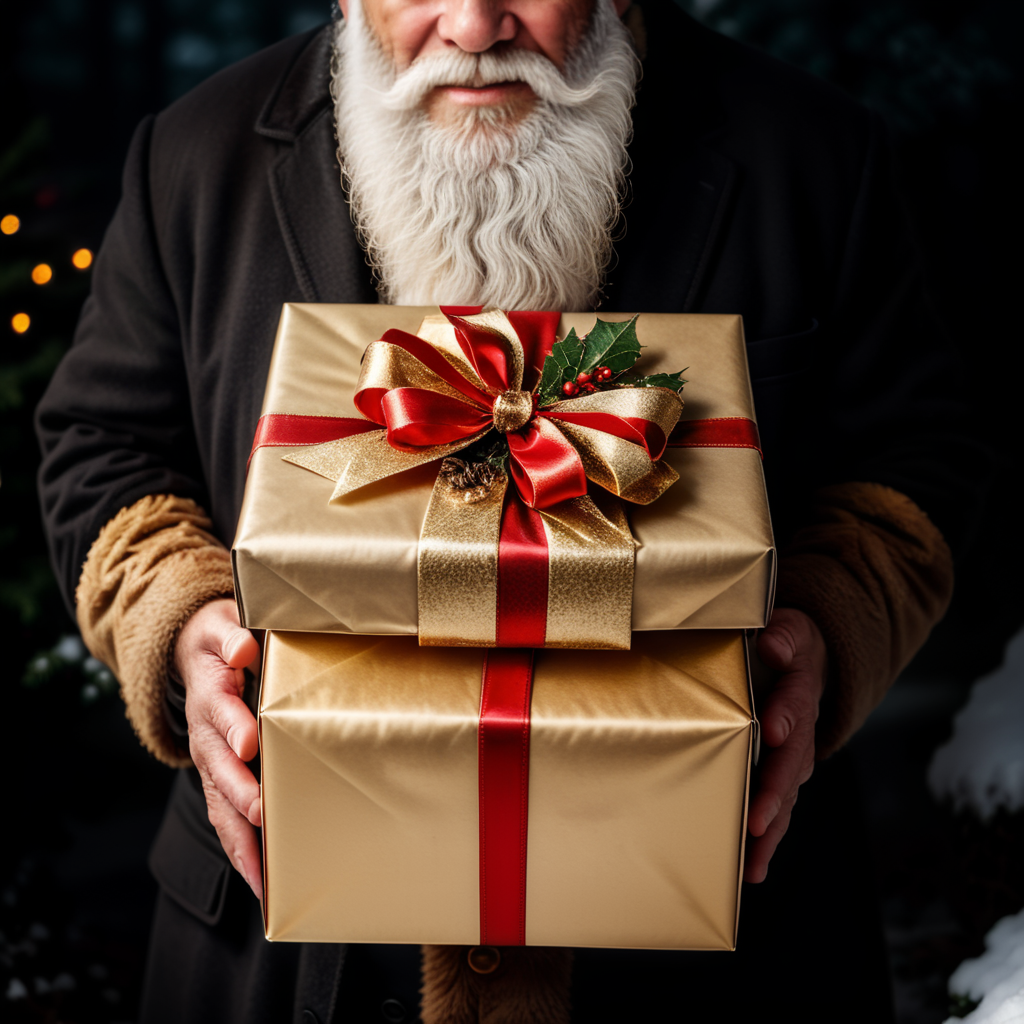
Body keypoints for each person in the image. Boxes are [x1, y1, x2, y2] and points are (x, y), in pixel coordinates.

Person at [36, 0, 984, 1019]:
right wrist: (181, 624)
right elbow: (103, 444)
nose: (477, 25)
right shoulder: (192, 156)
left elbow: (921, 453)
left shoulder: (813, 153)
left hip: (719, 949)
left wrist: (829, 620)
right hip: (295, 962)